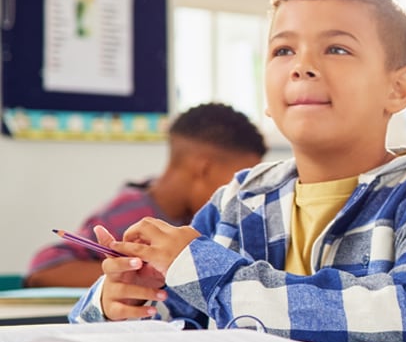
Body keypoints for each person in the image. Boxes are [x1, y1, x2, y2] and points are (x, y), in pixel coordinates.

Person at [70, 0, 406, 342]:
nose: (302, 67)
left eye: (337, 49)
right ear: (268, 98)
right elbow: (174, 322)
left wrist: (209, 270)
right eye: (283, 50)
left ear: (397, 89)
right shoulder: (239, 199)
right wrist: (121, 302)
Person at [26, 103, 266, 288]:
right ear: (204, 169)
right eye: (239, 181)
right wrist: (139, 271)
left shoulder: (207, 220)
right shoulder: (132, 212)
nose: (243, 195)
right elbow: (43, 269)